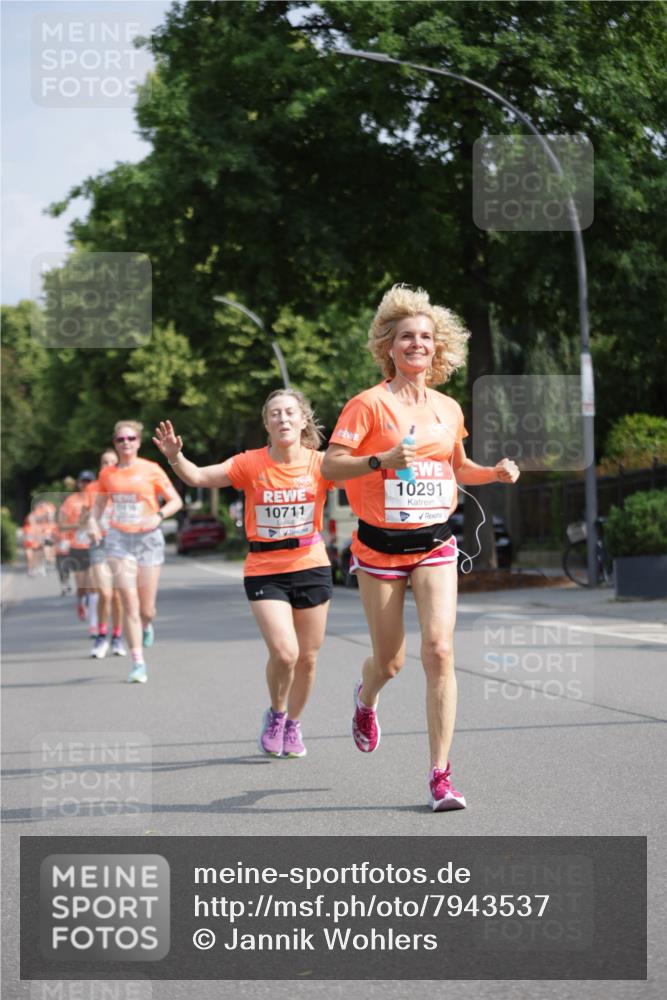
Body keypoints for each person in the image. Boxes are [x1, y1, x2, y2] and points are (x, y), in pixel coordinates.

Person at [321, 284, 519, 811]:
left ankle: (440, 775)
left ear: (439, 348)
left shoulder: (448, 409)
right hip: (379, 547)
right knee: (390, 663)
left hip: (433, 542)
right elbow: (329, 466)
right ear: (388, 345)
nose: (417, 344)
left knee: (440, 650)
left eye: (426, 337)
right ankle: (366, 701)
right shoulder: (367, 405)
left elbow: (456, 468)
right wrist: (381, 462)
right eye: (406, 336)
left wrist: (493, 473)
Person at [153, 389, 334, 759]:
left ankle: (294, 724)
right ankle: (276, 714)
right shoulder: (250, 463)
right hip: (265, 569)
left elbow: (367, 476)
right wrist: (175, 457)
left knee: (308, 659)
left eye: (289, 413)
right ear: (266, 425)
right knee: (285, 653)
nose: (283, 419)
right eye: (275, 414)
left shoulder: (322, 464)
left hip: (311, 564)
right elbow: (200, 477)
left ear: (303, 421)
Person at [87, 421, 183, 683]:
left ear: (138, 442)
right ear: (115, 443)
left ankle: (148, 624)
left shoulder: (151, 469)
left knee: (146, 608)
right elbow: (98, 507)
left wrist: (159, 516)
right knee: (129, 602)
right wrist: (94, 523)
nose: (126, 443)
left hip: (148, 539)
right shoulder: (107, 474)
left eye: (130, 438)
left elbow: (176, 500)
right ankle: (138, 663)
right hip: (119, 539)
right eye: (120, 440)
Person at [83, 449, 127, 659]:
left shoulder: (125, 485)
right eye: (104, 462)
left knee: (118, 596)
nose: (109, 464)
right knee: (105, 593)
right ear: (101, 466)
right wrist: (90, 527)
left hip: (121, 544)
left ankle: (117, 637)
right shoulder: (92, 488)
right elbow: (87, 514)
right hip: (99, 544)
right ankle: (102, 635)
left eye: (112, 461)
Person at [58, 472, 97, 628]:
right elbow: (61, 525)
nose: (86, 485)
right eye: (83, 482)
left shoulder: (98, 499)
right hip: (77, 546)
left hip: (95, 546)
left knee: (93, 584)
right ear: (79, 483)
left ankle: (94, 623)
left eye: (89, 481)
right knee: (82, 585)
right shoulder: (71, 501)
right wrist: (79, 526)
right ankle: (81, 601)